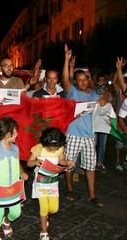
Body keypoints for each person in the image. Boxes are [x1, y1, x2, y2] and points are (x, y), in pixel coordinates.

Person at [62, 44, 104, 207]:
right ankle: (70, 189)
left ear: (88, 79)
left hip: (89, 136)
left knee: (90, 166)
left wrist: (102, 101)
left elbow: (103, 103)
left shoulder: (93, 93)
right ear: (76, 82)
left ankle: (92, 195)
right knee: (70, 164)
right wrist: (66, 60)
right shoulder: (73, 92)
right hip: (73, 133)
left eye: (84, 79)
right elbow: (65, 79)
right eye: (78, 80)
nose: (82, 82)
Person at [0, 117, 28, 240]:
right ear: (8, 134)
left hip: (13, 188)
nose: (17, 133)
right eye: (15, 131)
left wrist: (22, 172)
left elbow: (17, 164)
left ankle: (6, 221)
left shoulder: (15, 148)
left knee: (16, 213)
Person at [27, 127, 74, 240]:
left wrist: (67, 162)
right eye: (51, 149)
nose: (54, 151)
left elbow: (61, 160)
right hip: (41, 181)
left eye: (56, 148)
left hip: (53, 182)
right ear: (44, 143)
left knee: (54, 209)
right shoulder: (38, 149)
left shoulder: (60, 148)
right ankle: (44, 231)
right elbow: (28, 163)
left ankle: (44, 217)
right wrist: (35, 162)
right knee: (44, 207)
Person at [93, 74, 113, 173]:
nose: (101, 81)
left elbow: (111, 105)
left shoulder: (108, 93)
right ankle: (92, 162)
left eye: (103, 80)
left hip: (104, 122)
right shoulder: (93, 92)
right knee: (94, 143)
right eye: (99, 80)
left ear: (105, 81)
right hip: (95, 122)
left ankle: (99, 162)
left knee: (103, 144)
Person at [114, 56, 127, 170]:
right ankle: (118, 162)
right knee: (119, 145)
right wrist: (119, 69)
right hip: (123, 126)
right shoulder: (126, 101)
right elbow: (121, 84)